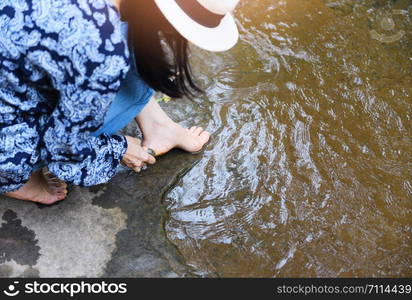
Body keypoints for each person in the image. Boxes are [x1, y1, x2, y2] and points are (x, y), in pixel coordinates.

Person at [0, 0, 240, 204]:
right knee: (118, 50)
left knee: (127, 36)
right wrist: (118, 148)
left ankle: (159, 125)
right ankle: (17, 180)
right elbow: (64, 151)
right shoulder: (101, 49)